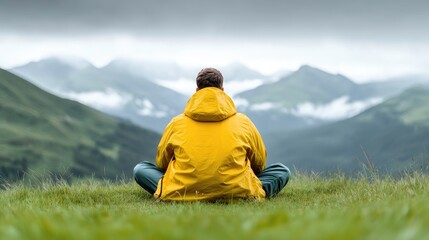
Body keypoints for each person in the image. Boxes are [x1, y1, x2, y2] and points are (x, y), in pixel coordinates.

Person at [133, 68, 290, 201]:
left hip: (183, 191)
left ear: (196, 91)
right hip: (237, 190)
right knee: (281, 171)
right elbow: (259, 163)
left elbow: (162, 163)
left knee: (140, 169)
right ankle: (244, 193)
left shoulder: (177, 123)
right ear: (222, 91)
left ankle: (174, 192)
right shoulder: (243, 122)